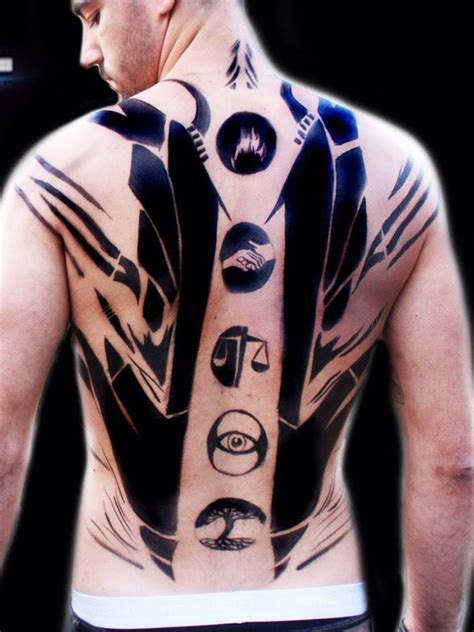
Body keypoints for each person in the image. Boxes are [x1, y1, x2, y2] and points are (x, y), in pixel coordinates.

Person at [0, 0, 472, 630]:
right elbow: (453, 460)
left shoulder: (59, 174)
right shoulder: (399, 171)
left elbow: (0, 447)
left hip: (129, 603)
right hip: (318, 601)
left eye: (94, 13)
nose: (87, 52)